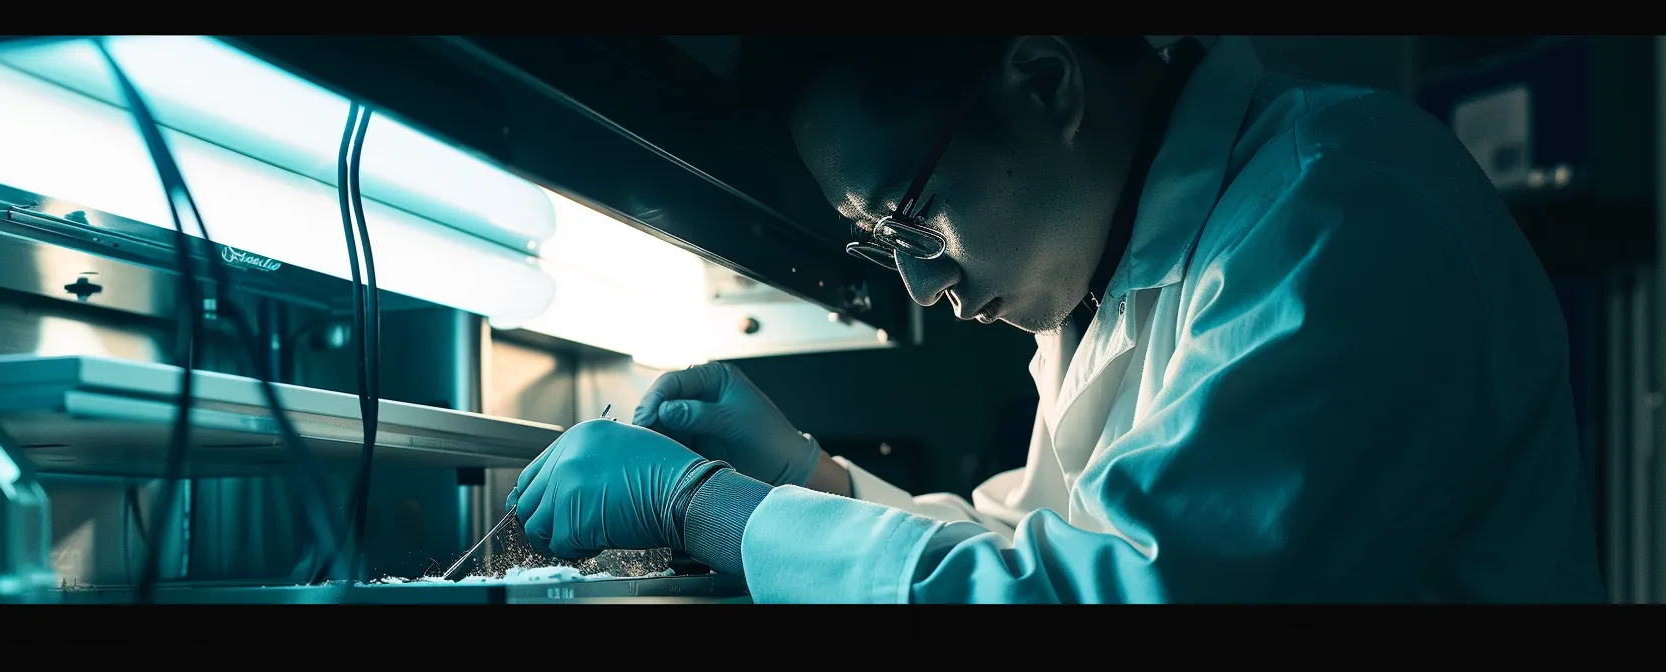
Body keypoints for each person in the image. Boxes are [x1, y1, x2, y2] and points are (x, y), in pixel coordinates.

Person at [506, 35, 1608, 603]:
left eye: (914, 216)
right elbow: (1048, 542)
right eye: (882, 247)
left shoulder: (1337, 209)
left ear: (1043, 81)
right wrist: (811, 481)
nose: (923, 289)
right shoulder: (1119, 276)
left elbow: (1130, 597)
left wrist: (711, 510)